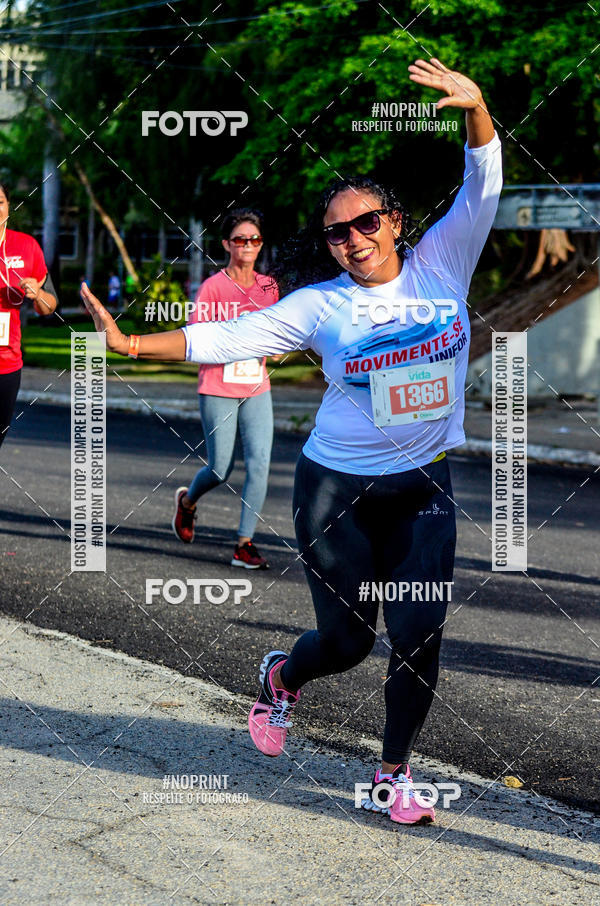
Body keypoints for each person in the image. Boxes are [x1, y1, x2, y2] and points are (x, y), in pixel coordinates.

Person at [81, 58, 502, 826]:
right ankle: (281, 678)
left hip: (424, 486)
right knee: (348, 643)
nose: (352, 240)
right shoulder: (320, 307)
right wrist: (133, 345)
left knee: (419, 638)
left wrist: (475, 108)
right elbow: (228, 337)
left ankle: (391, 776)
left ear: (395, 223)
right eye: (337, 233)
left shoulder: (444, 264)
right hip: (335, 489)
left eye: (366, 223)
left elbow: (483, 182)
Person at [171, 208, 279, 569]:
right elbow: (196, 339)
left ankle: (244, 544)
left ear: (260, 244)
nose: (247, 245)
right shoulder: (213, 287)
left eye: (254, 239)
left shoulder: (268, 287)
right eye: (240, 239)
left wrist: (276, 346)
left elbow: (278, 339)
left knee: (260, 464)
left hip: (256, 386)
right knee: (220, 469)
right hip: (218, 386)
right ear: (227, 244)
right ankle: (187, 502)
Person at [0, 183, 58, 449]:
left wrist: (38, 294)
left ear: (8, 206)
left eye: (0, 202)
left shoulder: (26, 246)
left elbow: (50, 305)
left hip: (7, 364)